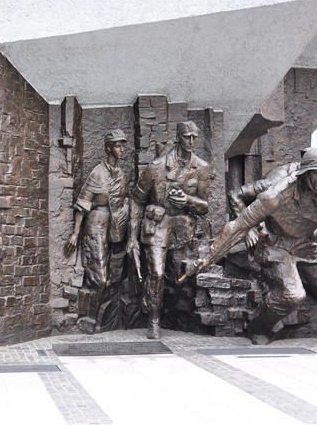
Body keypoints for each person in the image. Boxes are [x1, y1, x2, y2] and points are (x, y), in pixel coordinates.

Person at [192, 148, 317, 344]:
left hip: (306, 244)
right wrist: (209, 259)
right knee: (293, 295)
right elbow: (237, 226)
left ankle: (282, 286)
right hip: (276, 245)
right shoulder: (276, 193)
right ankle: (258, 328)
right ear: (304, 173)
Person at [126, 121, 209, 339]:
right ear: (178, 137)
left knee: (178, 277)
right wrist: (132, 237)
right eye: (187, 137)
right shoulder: (156, 167)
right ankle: (153, 320)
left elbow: (204, 206)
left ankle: (173, 316)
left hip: (181, 228)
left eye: (194, 137)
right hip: (157, 225)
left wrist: (188, 200)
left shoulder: (201, 168)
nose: (191, 141)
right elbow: (136, 200)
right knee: (157, 272)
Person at [64, 130, 129, 331]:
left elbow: (124, 201)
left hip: (114, 229)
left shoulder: (121, 175)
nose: (122, 149)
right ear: (108, 148)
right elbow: (82, 205)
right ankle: (89, 319)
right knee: (100, 278)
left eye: (123, 145)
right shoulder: (97, 173)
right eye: (117, 145)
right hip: (95, 228)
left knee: (111, 278)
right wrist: (75, 233)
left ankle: (99, 321)